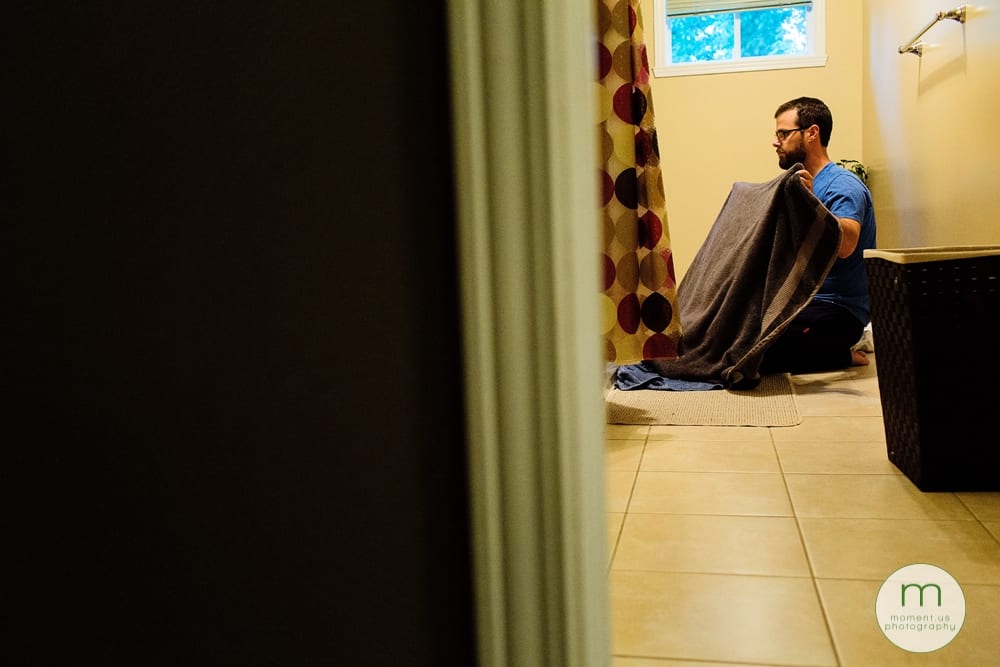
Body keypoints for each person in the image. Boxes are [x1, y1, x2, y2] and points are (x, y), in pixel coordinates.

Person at [760, 96, 877, 374]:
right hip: (802, 303)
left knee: (759, 355)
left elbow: (847, 244)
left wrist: (813, 204)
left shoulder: (843, 185)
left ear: (812, 133)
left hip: (838, 310)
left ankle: (841, 356)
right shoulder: (795, 185)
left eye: (783, 133)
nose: (776, 142)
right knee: (731, 336)